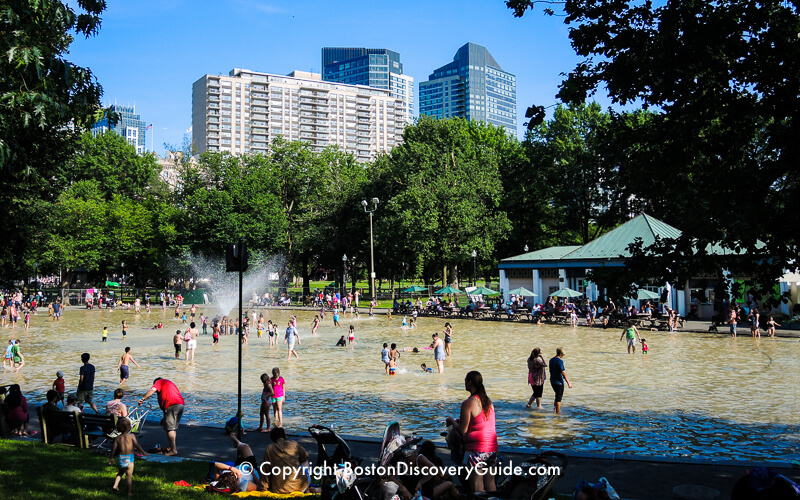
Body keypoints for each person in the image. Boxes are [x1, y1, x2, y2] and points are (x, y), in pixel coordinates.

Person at [445, 371, 498, 493]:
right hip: (492, 448)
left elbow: (462, 430)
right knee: (490, 485)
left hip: (476, 449)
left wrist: (451, 421)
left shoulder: (468, 403)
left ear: (469, 382)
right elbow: (481, 423)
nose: (464, 383)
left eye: (465, 381)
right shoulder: (488, 401)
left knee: (477, 490)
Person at [138, 378, 184, 456]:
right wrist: (164, 417)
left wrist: (143, 398)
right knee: (173, 428)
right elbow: (168, 396)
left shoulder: (159, 382)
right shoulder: (168, 383)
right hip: (180, 404)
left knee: (170, 429)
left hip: (172, 405)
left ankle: (173, 450)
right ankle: (171, 447)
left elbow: (151, 390)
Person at [262, 427, 310, 493]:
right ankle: (307, 489)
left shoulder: (269, 449)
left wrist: (264, 488)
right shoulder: (294, 444)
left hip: (279, 488)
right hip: (299, 486)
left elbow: (266, 470)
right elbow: (305, 456)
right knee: (304, 460)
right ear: (284, 435)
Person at [109, 417, 149, 495]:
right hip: (129, 458)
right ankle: (129, 492)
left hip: (121, 458)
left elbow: (113, 448)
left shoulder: (117, 438)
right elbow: (137, 445)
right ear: (129, 427)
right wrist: (143, 452)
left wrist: (111, 458)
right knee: (128, 477)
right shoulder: (132, 436)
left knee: (120, 473)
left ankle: (115, 485)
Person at [549, 348, 573, 414]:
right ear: (560, 354)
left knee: (556, 395)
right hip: (559, 382)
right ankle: (558, 413)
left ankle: (554, 409)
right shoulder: (560, 361)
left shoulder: (551, 360)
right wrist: (569, 383)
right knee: (559, 398)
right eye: (563, 355)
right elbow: (563, 373)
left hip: (552, 381)